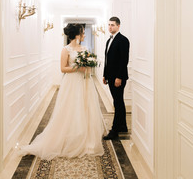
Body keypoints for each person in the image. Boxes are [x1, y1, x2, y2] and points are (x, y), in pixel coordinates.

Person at [17, 24, 104, 160]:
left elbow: (87, 66)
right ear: (77, 34)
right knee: (71, 107)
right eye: (82, 33)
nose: (85, 35)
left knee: (85, 106)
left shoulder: (85, 48)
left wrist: (87, 66)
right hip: (72, 82)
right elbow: (63, 68)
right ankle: (69, 135)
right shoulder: (66, 49)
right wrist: (77, 68)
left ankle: (85, 137)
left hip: (85, 82)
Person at [103, 17, 130, 140]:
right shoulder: (109, 40)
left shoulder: (123, 40)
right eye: (109, 25)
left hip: (118, 78)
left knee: (117, 103)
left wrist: (119, 77)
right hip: (111, 77)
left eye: (112, 25)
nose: (110, 27)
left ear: (118, 26)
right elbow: (107, 60)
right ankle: (123, 126)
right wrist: (105, 74)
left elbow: (123, 61)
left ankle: (114, 130)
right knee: (118, 101)